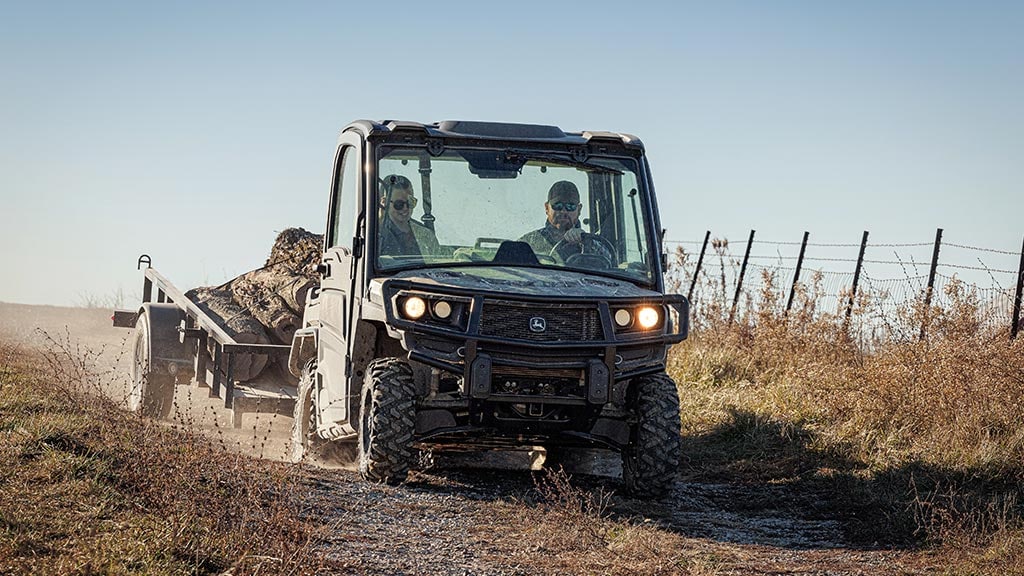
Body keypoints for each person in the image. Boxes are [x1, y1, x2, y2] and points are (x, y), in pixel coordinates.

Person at [519, 180, 610, 264]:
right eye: (557, 205)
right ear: (547, 208)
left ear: (579, 210)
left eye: (570, 206)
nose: (563, 211)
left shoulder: (592, 244)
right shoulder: (529, 242)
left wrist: (585, 240)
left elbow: (610, 260)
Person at [378, 174, 441, 257]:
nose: (405, 208)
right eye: (399, 204)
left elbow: (437, 264)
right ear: (384, 202)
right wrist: (380, 222)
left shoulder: (426, 235)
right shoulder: (376, 234)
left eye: (410, 202)